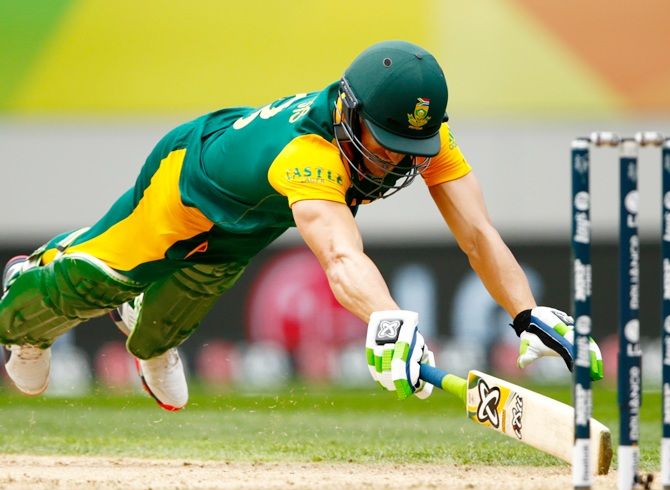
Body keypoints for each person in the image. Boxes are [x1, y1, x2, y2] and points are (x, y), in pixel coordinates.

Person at [0, 40, 603, 410]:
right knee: (95, 282)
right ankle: (26, 296)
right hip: (187, 185)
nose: (396, 159)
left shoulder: (424, 137)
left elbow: (477, 235)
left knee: (169, 322)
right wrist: (389, 322)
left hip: (251, 218)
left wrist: (528, 314)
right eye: (385, 142)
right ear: (350, 111)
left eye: (409, 146)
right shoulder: (306, 153)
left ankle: (143, 328)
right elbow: (341, 259)